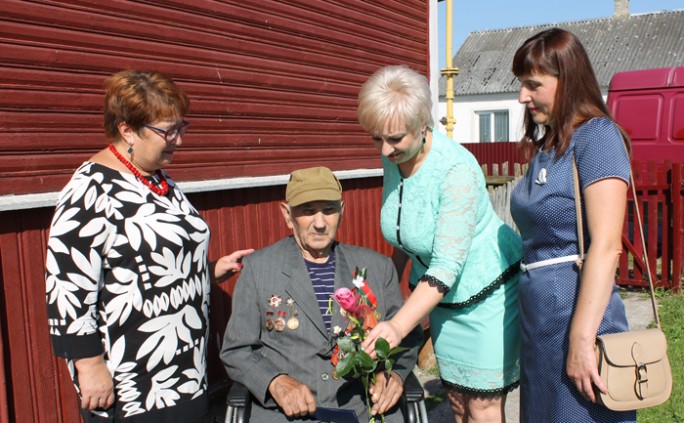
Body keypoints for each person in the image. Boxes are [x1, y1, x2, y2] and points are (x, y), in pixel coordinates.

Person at [44, 70, 253, 422]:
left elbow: (150, 262)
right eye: (166, 131)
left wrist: (209, 270)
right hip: (134, 381)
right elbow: (66, 285)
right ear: (127, 129)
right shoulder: (91, 191)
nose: (178, 140)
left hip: (184, 369)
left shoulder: (157, 178)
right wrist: (89, 364)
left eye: (180, 127)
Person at [357, 65, 523, 423]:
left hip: (485, 291)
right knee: (457, 401)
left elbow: (447, 265)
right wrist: (387, 294)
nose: (385, 150)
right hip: (440, 296)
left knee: (482, 405)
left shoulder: (456, 170)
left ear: (423, 125)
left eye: (395, 138)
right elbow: (406, 233)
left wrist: (398, 327)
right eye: (376, 139)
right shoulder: (396, 156)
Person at [220, 166, 423, 422]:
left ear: (342, 210)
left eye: (329, 210)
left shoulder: (376, 268)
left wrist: (394, 375)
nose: (319, 223)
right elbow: (236, 350)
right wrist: (274, 381)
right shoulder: (259, 269)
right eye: (307, 211)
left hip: (361, 409)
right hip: (286, 414)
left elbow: (407, 336)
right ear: (287, 214)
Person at [509, 28, 637, 422]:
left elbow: (606, 245)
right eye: (521, 85)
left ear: (568, 80)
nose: (522, 97)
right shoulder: (551, 145)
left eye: (533, 85)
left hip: (576, 317)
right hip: (542, 323)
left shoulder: (597, 137)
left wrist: (582, 341)